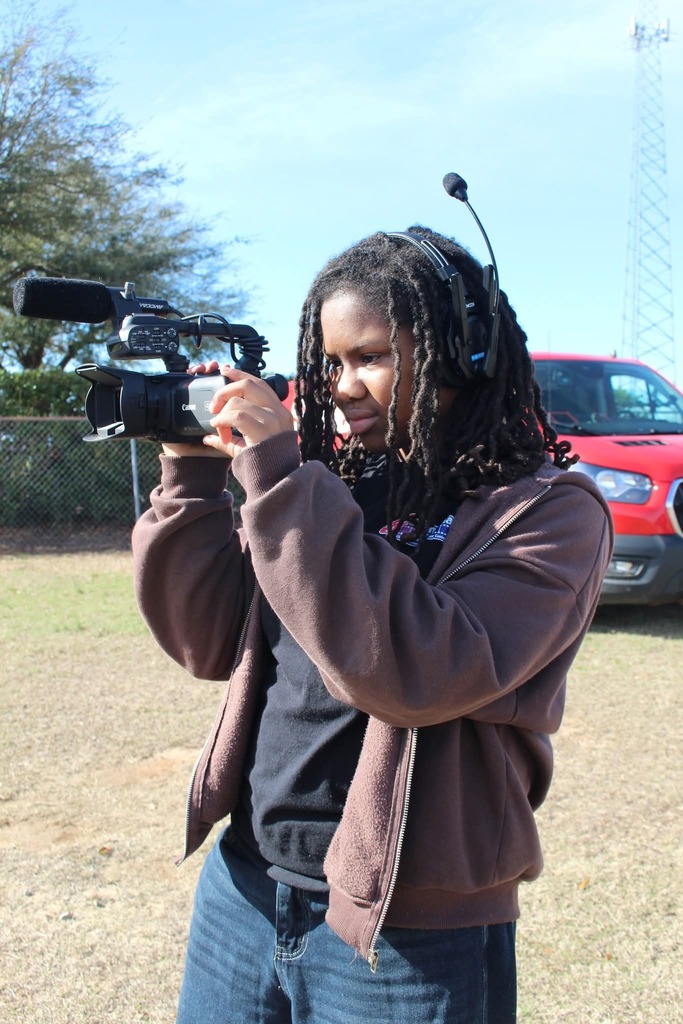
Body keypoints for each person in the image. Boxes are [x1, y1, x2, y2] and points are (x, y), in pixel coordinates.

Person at [131, 223, 613, 1024]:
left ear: (465, 352)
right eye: (330, 362)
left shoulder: (547, 512)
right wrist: (192, 474)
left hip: (407, 925)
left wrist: (283, 479)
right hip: (247, 882)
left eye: (371, 356)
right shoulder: (329, 480)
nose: (343, 385)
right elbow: (207, 637)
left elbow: (421, 674)